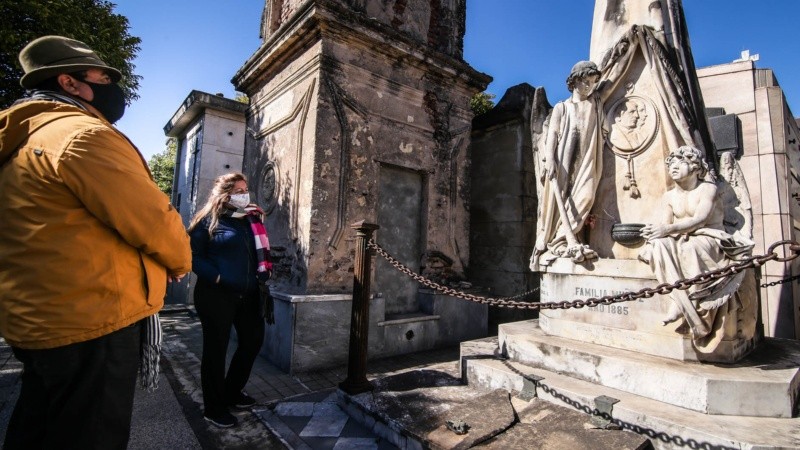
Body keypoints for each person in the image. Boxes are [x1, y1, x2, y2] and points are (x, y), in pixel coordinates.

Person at [0, 36, 191, 449]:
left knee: (37, 429)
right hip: (93, 320)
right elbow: (154, 221)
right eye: (103, 77)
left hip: (41, 318)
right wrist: (179, 261)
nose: (112, 86)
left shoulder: (22, 140)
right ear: (69, 83)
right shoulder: (82, 136)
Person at [640, 146, 753, 341]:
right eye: (671, 164)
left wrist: (667, 230)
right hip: (682, 236)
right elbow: (665, 225)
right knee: (657, 246)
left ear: (695, 167)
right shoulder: (669, 196)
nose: (673, 167)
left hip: (711, 237)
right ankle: (678, 299)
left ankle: (690, 306)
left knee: (691, 248)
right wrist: (653, 232)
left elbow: (700, 219)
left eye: (680, 163)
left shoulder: (707, 189)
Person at [188, 172, 273, 428]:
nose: (244, 194)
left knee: (252, 342)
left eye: (245, 189)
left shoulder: (250, 218)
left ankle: (231, 392)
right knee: (216, 351)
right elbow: (192, 255)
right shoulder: (207, 221)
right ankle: (214, 408)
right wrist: (216, 277)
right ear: (225, 194)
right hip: (216, 295)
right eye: (239, 191)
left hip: (248, 294)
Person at [531, 61, 604, 270]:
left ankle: (567, 239)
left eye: (592, 82)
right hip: (564, 163)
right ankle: (562, 240)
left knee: (587, 195)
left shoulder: (595, 104)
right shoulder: (563, 108)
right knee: (559, 200)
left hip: (588, 161)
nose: (589, 86)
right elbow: (552, 135)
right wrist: (550, 159)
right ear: (574, 82)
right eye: (585, 82)